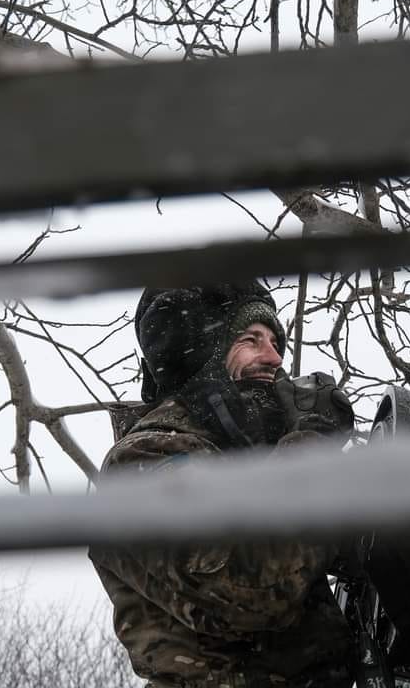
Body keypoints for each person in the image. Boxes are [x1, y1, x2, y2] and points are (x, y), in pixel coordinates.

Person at [89, 282, 356, 688]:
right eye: (250, 340)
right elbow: (248, 590)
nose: (274, 357)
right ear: (200, 355)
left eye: (274, 341)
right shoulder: (142, 461)